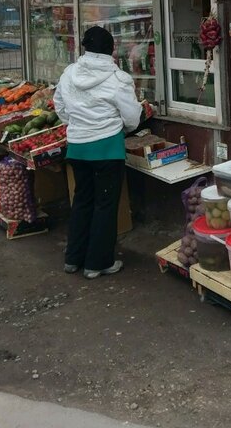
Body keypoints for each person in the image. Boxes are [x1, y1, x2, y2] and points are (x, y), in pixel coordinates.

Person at [53, 26, 150, 279]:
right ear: (111, 50)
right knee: (105, 206)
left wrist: (75, 123)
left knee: (82, 200)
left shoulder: (69, 73)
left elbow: (60, 106)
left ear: (85, 47)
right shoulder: (118, 79)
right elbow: (131, 118)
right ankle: (98, 263)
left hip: (77, 147)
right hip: (107, 149)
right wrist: (122, 125)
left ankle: (73, 258)